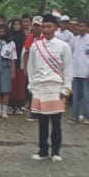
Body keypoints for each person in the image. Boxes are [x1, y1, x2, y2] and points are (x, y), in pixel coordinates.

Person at [26, 15, 73, 161]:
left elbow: (68, 69)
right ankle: (43, 150)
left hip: (56, 87)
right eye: (44, 27)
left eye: (49, 27)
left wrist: (66, 88)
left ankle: (56, 152)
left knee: (56, 121)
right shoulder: (35, 46)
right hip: (40, 87)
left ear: (55, 28)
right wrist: (32, 86)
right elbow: (31, 67)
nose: (46, 29)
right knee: (42, 122)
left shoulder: (63, 46)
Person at [68, 20, 89, 124]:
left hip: (86, 73)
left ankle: (87, 117)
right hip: (76, 73)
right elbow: (70, 55)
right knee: (76, 96)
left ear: (87, 28)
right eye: (79, 26)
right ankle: (75, 116)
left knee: (86, 96)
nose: (81, 28)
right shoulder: (74, 39)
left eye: (83, 26)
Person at [8, 19, 28, 114]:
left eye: (18, 24)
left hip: (20, 63)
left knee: (20, 85)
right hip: (11, 63)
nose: (17, 26)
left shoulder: (24, 36)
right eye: (15, 24)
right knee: (11, 85)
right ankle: (10, 105)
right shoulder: (9, 36)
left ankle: (19, 106)